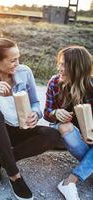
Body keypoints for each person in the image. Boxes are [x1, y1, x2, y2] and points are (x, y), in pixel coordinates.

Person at [0, 37, 63, 200]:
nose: (18, 63)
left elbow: (35, 103)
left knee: (53, 135)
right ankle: (15, 176)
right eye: (13, 60)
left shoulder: (24, 72)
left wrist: (35, 114)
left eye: (18, 58)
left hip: (20, 129)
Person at [44, 45, 93, 200]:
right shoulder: (54, 83)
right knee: (66, 126)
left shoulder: (91, 87)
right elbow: (46, 113)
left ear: (77, 68)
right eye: (59, 63)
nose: (59, 68)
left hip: (89, 136)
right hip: (63, 133)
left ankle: (70, 181)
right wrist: (55, 112)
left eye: (64, 64)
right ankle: (87, 168)